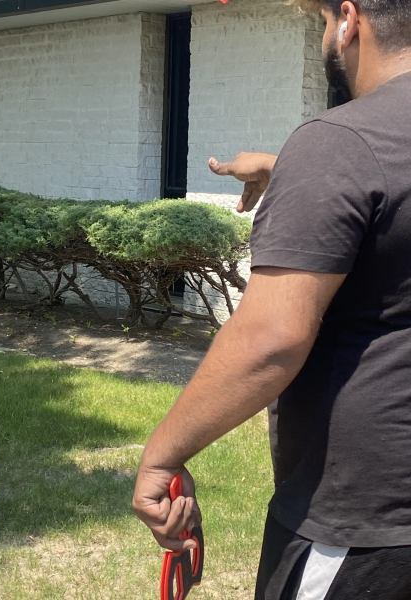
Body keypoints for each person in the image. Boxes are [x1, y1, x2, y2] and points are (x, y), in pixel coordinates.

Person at [132, 1, 411, 598]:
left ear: (349, 20)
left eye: (319, 25)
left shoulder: (339, 141)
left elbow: (271, 340)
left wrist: (162, 455)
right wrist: (298, 173)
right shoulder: (350, 154)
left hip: (367, 527)